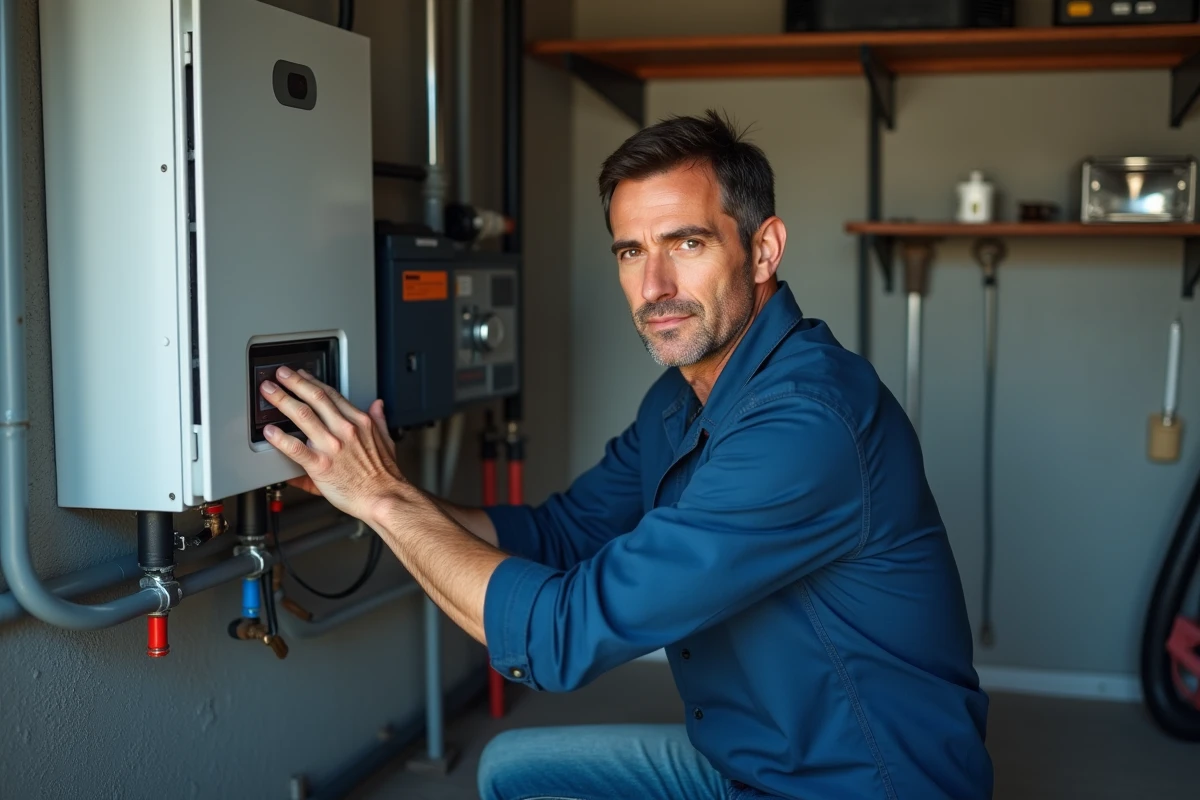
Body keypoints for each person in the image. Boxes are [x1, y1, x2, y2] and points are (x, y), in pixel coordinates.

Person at [258, 109, 993, 800]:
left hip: (854, 783)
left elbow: (561, 636)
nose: (655, 288)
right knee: (513, 771)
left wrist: (381, 499)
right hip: (745, 760)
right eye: (632, 251)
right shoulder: (680, 400)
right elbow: (556, 538)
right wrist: (378, 486)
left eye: (687, 243)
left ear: (763, 249)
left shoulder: (806, 424)